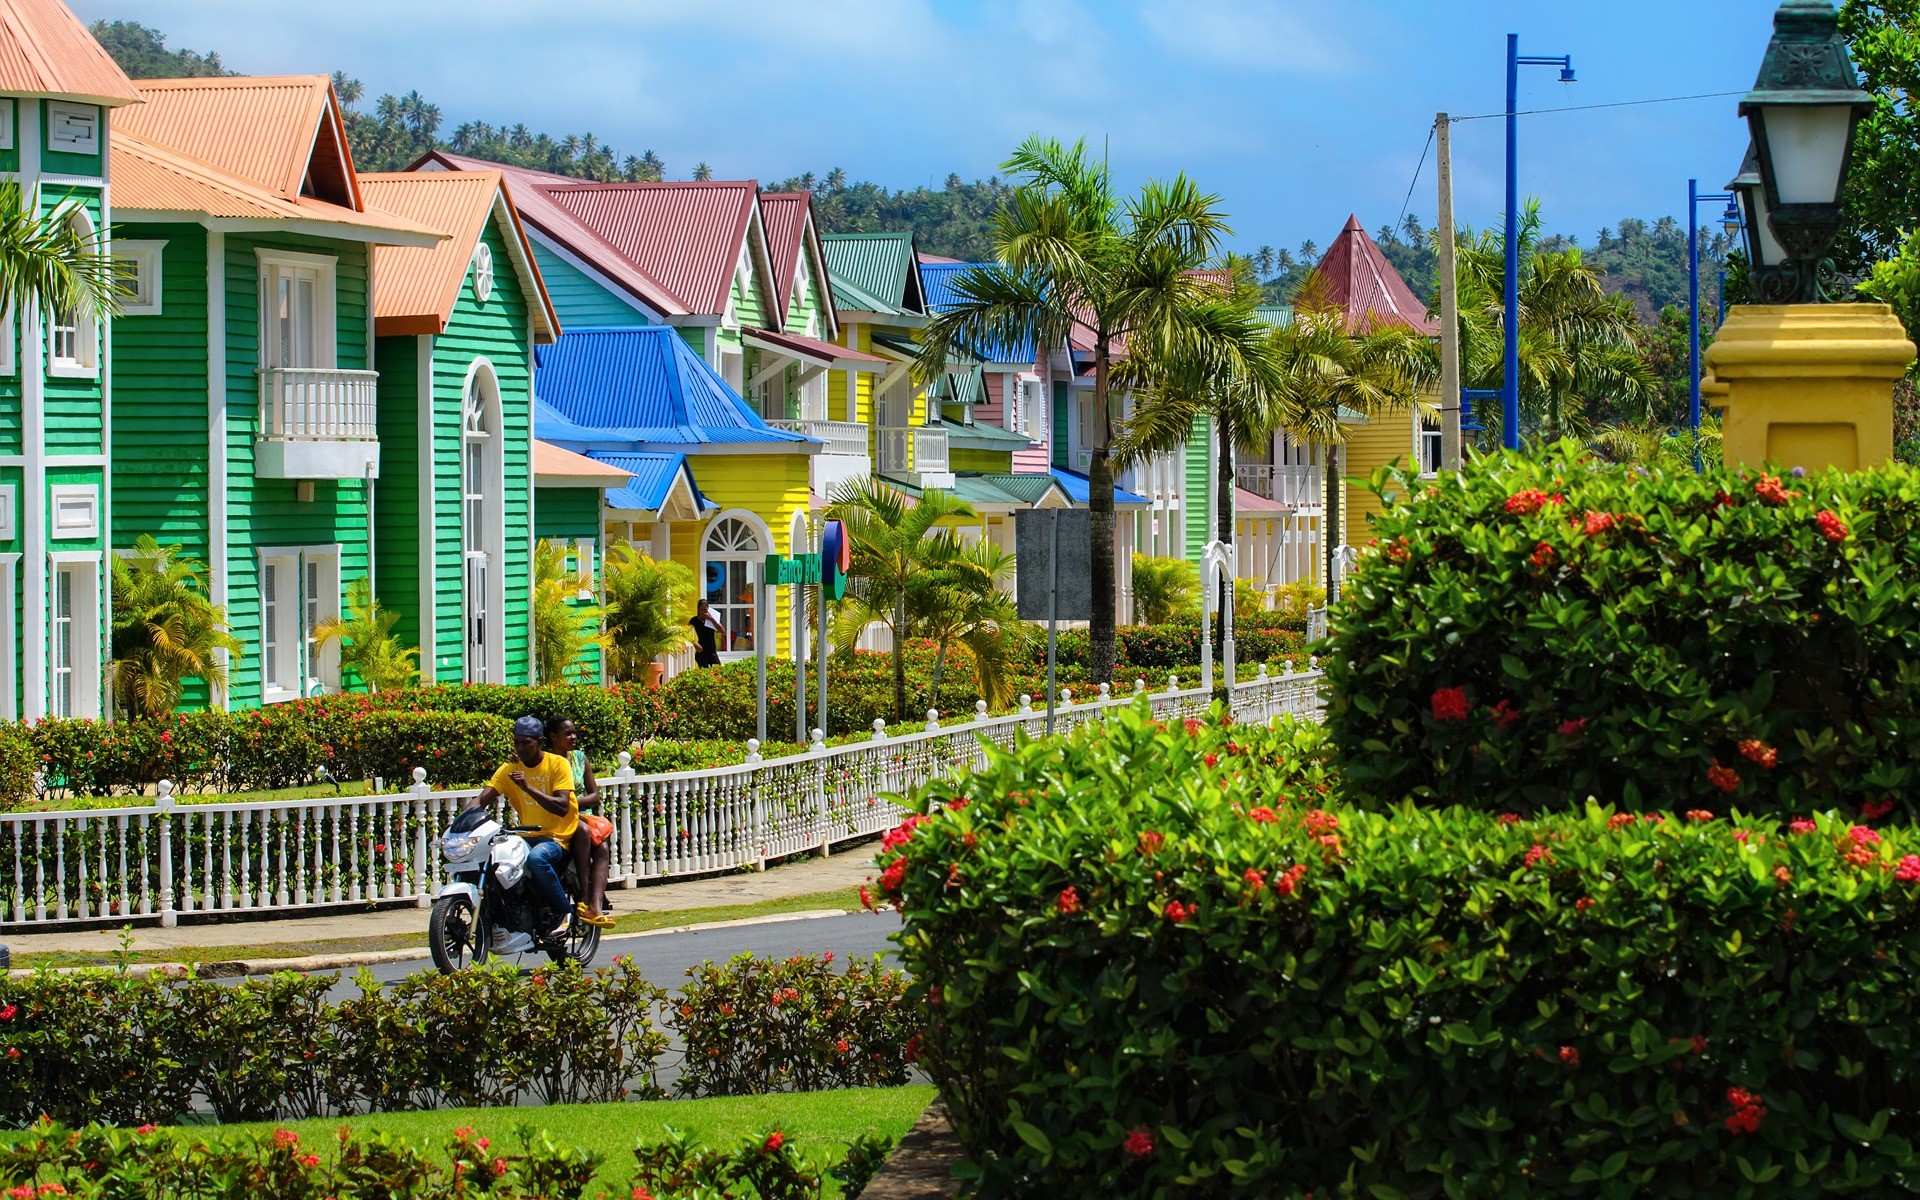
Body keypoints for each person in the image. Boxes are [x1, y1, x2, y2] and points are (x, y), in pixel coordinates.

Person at [467, 716, 577, 935]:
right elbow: (482, 799)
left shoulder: (558, 764)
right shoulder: (510, 767)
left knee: (537, 859)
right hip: (525, 835)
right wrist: (463, 821)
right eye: (517, 742)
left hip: (556, 837)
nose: (520, 747)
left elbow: (562, 806)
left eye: (526, 742)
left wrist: (527, 788)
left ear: (540, 742)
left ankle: (564, 912)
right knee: (495, 863)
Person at [547, 716, 614, 927]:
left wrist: (571, 802)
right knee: (583, 831)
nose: (573, 737)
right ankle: (584, 894)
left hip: (578, 814)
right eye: (567, 733)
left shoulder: (578, 758)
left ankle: (596, 903)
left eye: (574, 732)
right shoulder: (546, 760)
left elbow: (594, 796)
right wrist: (563, 804)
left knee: (602, 847)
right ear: (553, 737)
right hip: (555, 817)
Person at [691, 598, 723, 668]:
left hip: (712, 651)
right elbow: (686, 634)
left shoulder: (712, 620)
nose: (703, 612)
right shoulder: (694, 620)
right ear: (698, 610)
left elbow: (722, 630)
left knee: (718, 671)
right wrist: (694, 643)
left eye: (705, 610)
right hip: (701, 651)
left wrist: (711, 619)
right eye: (701, 610)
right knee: (705, 673)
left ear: (708, 609)